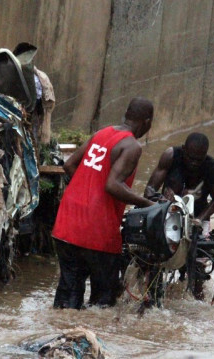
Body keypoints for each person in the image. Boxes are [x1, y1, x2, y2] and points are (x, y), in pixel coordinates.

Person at [52, 97, 155, 309]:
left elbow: (70, 165)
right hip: (98, 230)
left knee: (68, 296)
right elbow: (112, 185)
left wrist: (85, 189)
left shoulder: (102, 133)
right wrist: (146, 203)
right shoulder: (132, 146)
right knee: (103, 303)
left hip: (67, 224)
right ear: (147, 122)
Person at [144, 132, 214, 236]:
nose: (194, 163)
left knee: (202, 246)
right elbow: (150, 189)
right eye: (191, 158)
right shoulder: (170, 156)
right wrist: (160, 199)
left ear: (205, 154)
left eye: (199, 160)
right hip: (167, 213)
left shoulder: (213, 168)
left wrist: (200, 219)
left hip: (198, 218)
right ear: (184, 149)